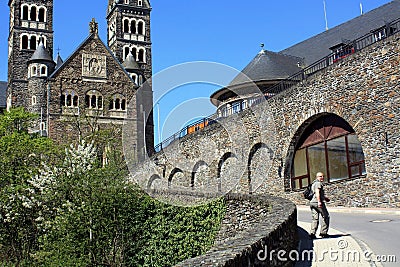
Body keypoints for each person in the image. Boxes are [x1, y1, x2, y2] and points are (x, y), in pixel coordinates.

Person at [309, 172, 330, 239]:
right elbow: (317, 192)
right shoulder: (318, 183)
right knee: (326, 216)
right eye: (320, 176)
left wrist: (325, 198)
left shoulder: (313, 184)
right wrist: (319, 202)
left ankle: (312, 233)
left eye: (323, 176)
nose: (322, 177)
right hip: (317, 202)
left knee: (315, 218)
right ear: (317, 177)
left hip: (312, 202)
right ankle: (323, 233)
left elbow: (316, 193)